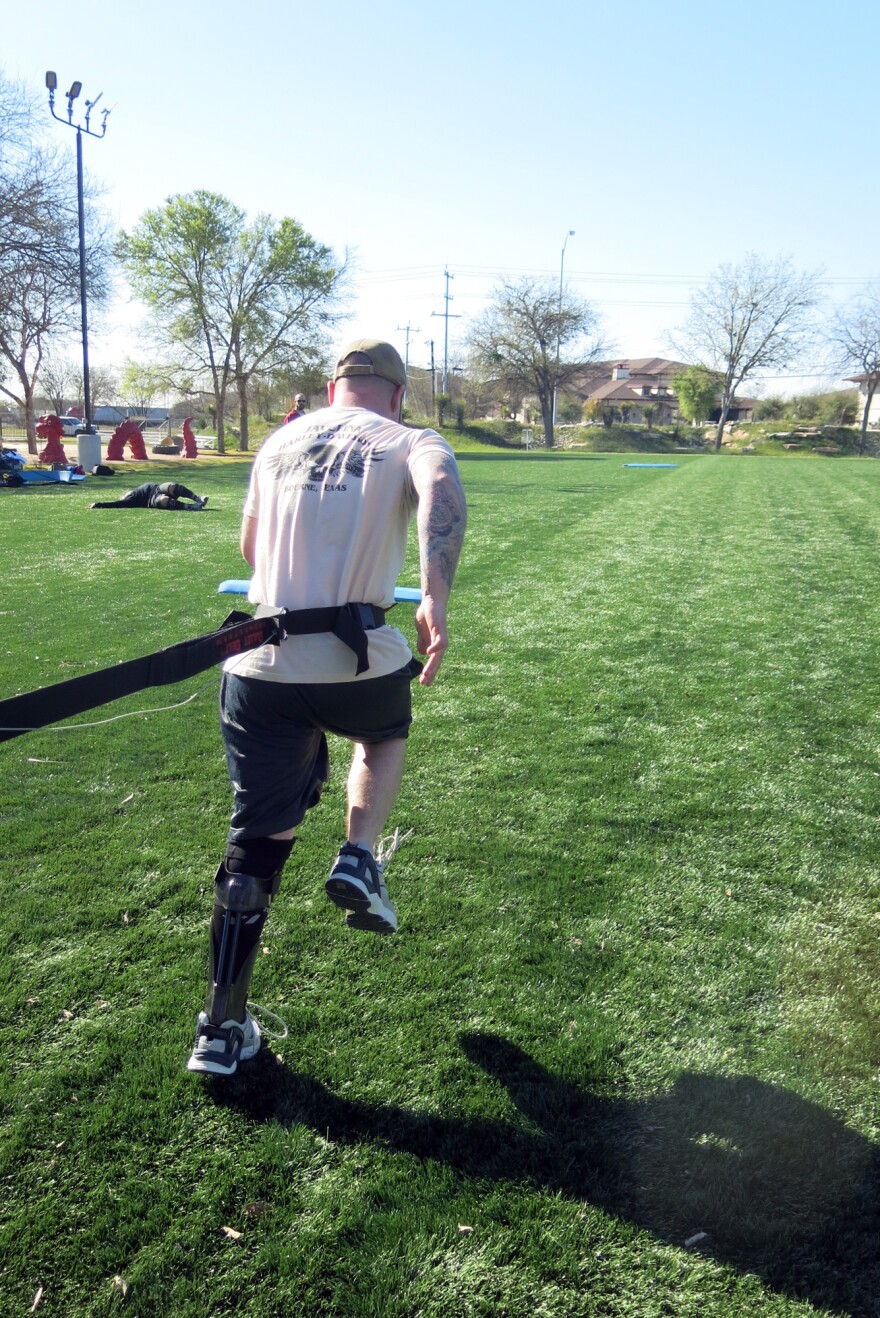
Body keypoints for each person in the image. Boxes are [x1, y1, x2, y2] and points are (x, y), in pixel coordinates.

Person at [187, 338, 467, 1076]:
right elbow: (441, 494)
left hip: (259, 660)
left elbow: (253, 551)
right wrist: (434, 596)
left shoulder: (280, 440)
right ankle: (359, 854)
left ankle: (220, 1028)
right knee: (382, 737)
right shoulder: (411, 437)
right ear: (398, 393)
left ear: (332, 386)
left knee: (256, 841)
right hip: (352, 657)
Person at [89, 481, 208, 511]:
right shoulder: (130, 500)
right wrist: (98, 504)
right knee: (164, 500)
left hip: (158, 488)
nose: (123, 495)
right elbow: (116, 504)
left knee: (172, 485)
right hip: (151, 500)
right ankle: (193, 507)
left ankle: (198, 499)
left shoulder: (135, 489)